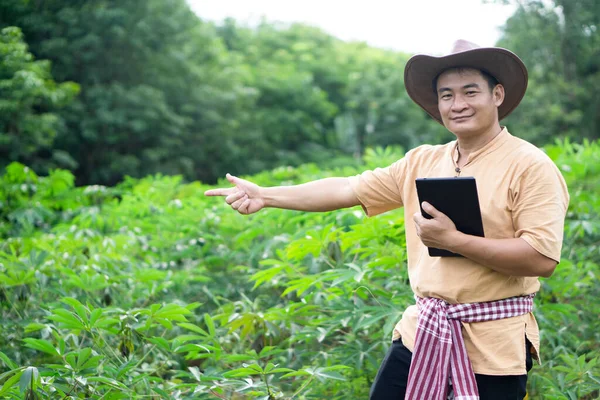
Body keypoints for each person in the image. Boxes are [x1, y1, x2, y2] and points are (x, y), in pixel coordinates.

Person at [204, 40, 569, 400]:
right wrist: (266, 195)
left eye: (470, 92)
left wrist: (453, 240)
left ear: (498, 95)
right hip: (423, 331)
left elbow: (540, 258)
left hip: (495, 346)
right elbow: (346, 188)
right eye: (446, 95)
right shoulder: (421, 161)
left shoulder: (530, 165)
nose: (457, 104)